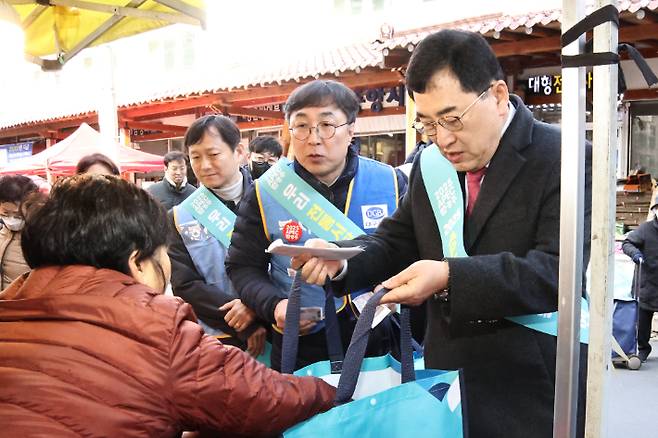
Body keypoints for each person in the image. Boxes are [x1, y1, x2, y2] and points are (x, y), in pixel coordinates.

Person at [292, 30, 592, 437]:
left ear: (498, 96)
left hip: (532, 381)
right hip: (445, 378)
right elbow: (396, 241)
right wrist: (339, 258)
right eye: (429, 124)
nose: (443, 139)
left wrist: (450, 277)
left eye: (452, 119)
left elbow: (555, 273)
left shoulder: (564, 157)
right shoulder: (431, 165)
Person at [0, 174, 335, 437]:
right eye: (164, 253)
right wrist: (333, 392)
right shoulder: (156, 327)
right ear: (138, 263)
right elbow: (267, 399)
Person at [226, 79, 408, 371]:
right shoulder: (266, 191)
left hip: (379, 339)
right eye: (301, 126)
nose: (313, 138)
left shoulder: (391, 182)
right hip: (301, 345)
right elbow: (242, 266)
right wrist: (274, 306)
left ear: (351, 131)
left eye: (326, 125)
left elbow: (412, 252)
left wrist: (395, 285)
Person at [168, 115, 267, 356]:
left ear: (239, 152)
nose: (204, 165)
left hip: (277, 325)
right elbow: (186, 285)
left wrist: (257, 306)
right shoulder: (179, 216)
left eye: (213, 154)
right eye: (195, 157)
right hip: (219, 341)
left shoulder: (271, 200)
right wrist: (244, 321)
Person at [622, 203, 658, 362]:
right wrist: (635, 254)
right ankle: (643, 349)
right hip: (647, 282)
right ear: (655, 211)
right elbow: (627, 243)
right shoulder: (645, 229)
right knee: (643, 320)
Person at [0, 175, 38, 289]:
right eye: (5, 213)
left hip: (26, 303)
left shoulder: (43, 238)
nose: (11, 219)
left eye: (17, 215)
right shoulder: (2, 232)